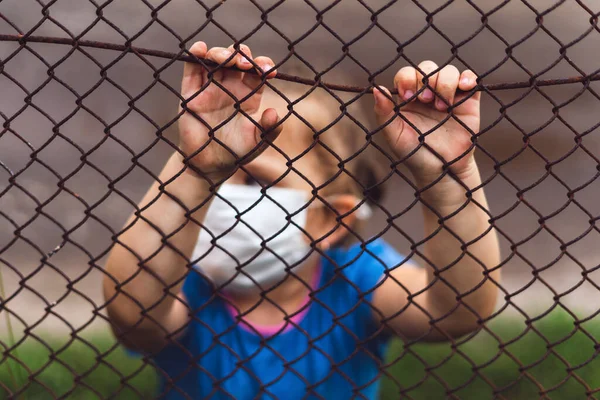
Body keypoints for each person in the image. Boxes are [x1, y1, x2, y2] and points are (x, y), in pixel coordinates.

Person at [103, 41, 500, 399]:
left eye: (257, 181)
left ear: (329, 219)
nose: (225, 196)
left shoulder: (356, 279)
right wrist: (194, 169)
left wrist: (447, 178)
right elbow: (132, 310)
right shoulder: (183, 280)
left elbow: (456, 311)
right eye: (218, 179)